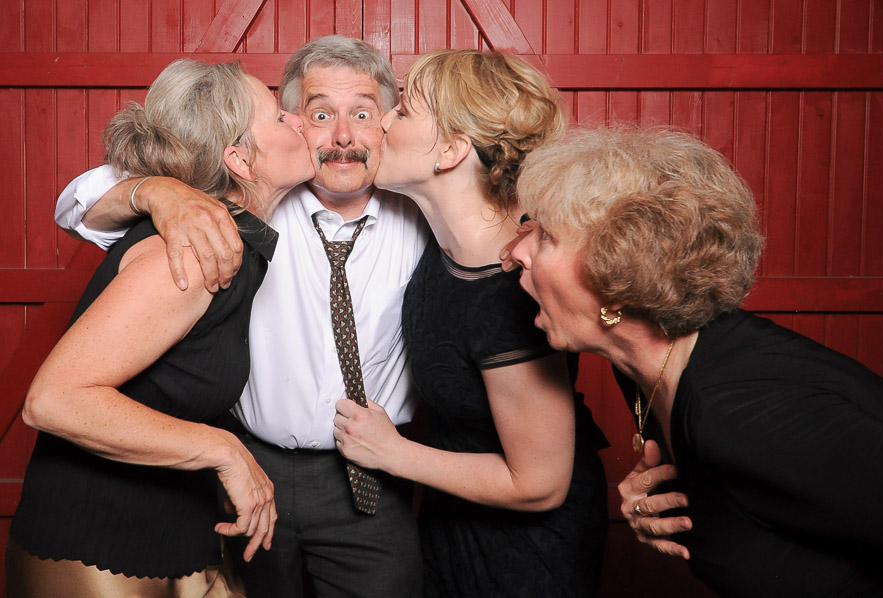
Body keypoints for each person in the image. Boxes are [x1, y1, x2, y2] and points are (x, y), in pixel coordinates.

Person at [52, 36, 428, 598]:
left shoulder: (425, 209)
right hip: (249, 472)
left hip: (373, 480)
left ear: (388, 125)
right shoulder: (247, 204)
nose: (343, 137)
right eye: (320, 114)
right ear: (295, 124)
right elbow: (77, 205)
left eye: (362, 114)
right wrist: (156, 191)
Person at [510, 126, 883, 596]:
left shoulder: (741, 412)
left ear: (617, 274)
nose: (517, 253)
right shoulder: (646, 369)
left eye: (547, 237)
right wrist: (677, 510)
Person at [7, 59, 315, 597]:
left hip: (182, 526)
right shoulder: (196, 254)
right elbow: (53, 400)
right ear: (240, 159)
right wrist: (224, 450)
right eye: (279, 118)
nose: (296, 121)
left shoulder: (229, 240)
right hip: (94, 539)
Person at [332, 49, 608, 598]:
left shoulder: (511, 283)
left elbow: (540, 484)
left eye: (404, 111)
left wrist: (390, 452)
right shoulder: (445, 243)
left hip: (527, 555)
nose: (383, 120)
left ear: (454, 150)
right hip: (450, 519)